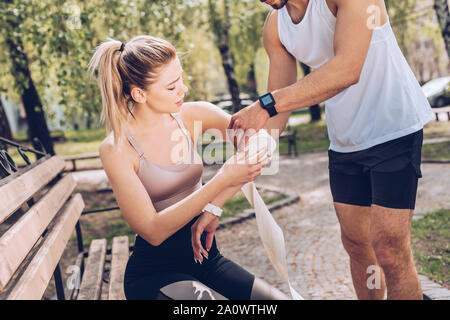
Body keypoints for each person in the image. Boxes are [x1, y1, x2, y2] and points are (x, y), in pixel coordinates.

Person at [227, 0, 435, 300]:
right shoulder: (275, 26)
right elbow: (279, 105)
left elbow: (347, 68)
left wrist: (265, 105)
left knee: (389, 250)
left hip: (393, 126)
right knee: (356, 243)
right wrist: (252, 152)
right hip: (345, 140)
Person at [88, 35, 289, 300]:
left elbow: (260, 145)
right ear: (140, 93)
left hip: (207, 262)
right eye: (171, 87)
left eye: (181, 78)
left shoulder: (193, 115)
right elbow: (153, 230)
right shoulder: (116, 149)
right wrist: (220, 181)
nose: (183, 89)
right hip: (155, 276)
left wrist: (215, 204)